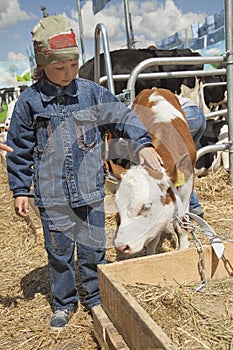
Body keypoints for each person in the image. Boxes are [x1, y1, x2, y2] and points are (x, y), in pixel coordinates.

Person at [6, 15, 162, 331]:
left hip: (90, 192)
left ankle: (95, 297)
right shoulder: (30, 102)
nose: (68, 74)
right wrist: (20, 189)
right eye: (59, 68)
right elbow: (20, 149)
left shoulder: (92, 93)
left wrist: (143, 144)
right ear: (42, 65)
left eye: (73, 66)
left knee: (93, 250)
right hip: (52, 197)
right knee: (60, 254)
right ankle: (64, 303)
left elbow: (123, 118)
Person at [176, 94, 206, 218]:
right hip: (197, 112)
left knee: (174, 165)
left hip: (184, 116)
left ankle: (192, 207)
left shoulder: (135, 111)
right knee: (183, 165)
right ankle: (194, 208)